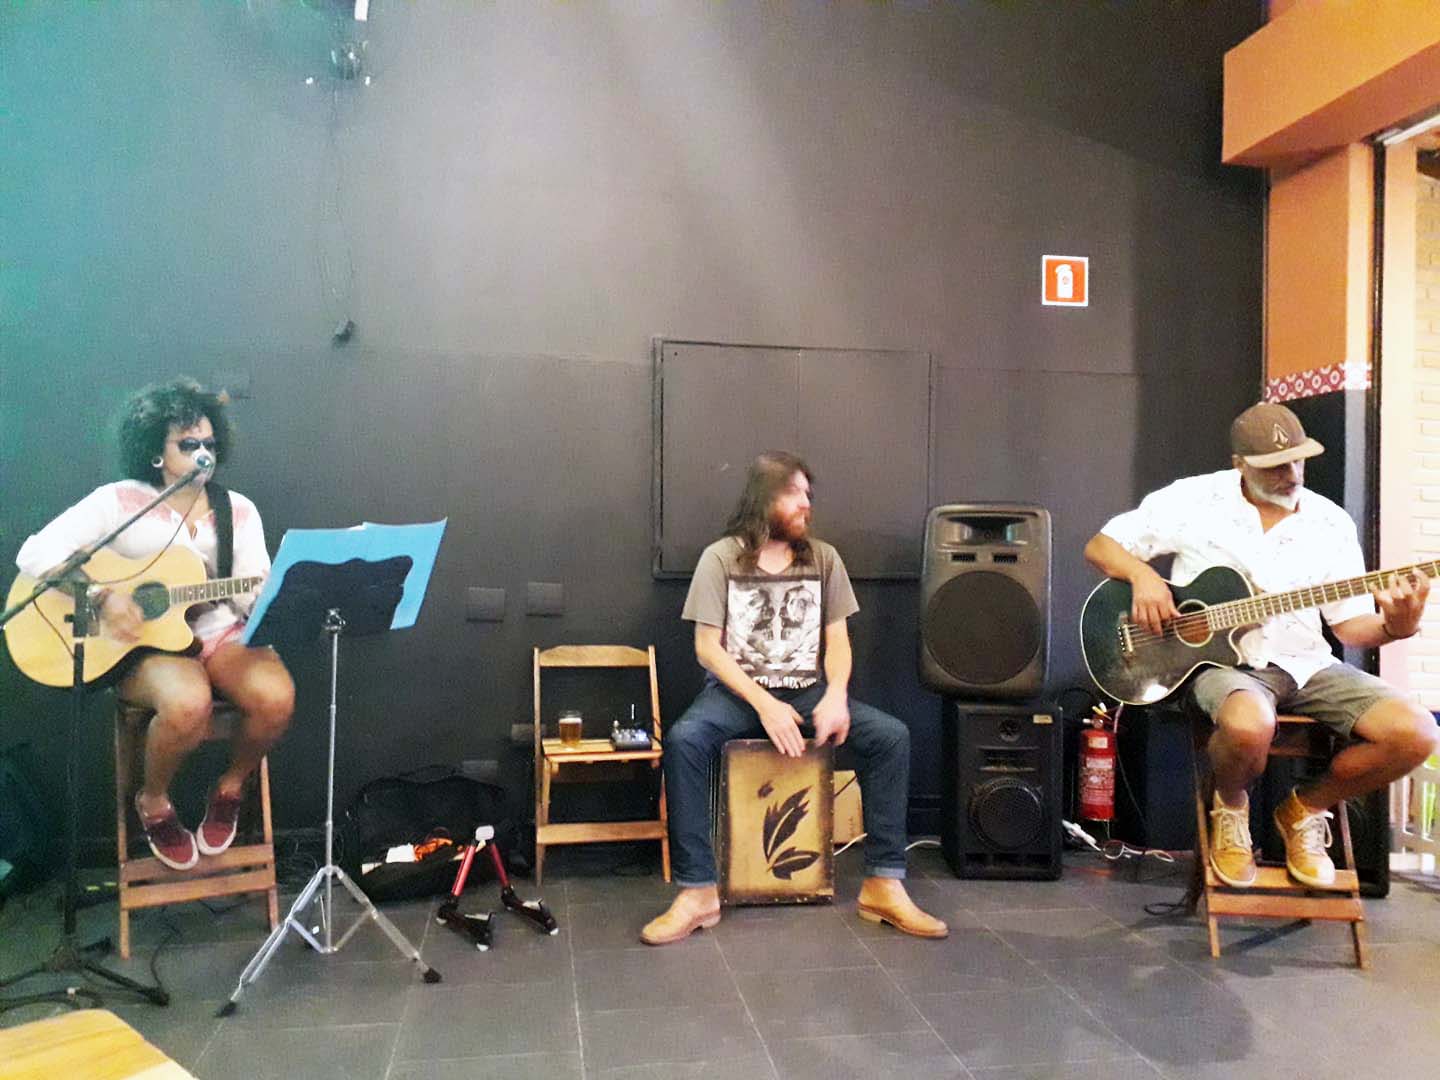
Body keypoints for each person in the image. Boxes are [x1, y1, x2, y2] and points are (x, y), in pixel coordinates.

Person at [1084, 402, 1438, 888]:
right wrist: (1142, 576)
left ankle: (1304, 810)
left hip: (1306, 664)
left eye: (1297, 460)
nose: (1291, 474)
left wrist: (1397, 626)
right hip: (1224, 667)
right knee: (1250, 725)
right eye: (1275, 466)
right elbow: (1101, 546)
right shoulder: (1193, 499)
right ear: (1240, 464)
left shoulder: (1330, 523)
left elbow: (1351, 628)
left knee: (1416, 733)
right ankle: (1231, 809)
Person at [641, 451, 946, 944]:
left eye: (808, 494)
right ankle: (698, 892)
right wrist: (764, 704)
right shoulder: (720, 558)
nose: (806, 503)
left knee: (890, 737)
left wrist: (836, 696)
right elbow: (707, 648)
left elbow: (838, 642)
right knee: (684, 740)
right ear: (763, 499)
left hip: (807, 692)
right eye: (794, 493)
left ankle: (883, 885)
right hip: (736, 695)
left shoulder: (823, 559)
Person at [14, 378, 294, 872]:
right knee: (188, 703)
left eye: (209, 444)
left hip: (218, 633)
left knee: (276, 697)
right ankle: (154, 799)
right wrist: (101, 597)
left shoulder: (237, 510)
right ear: (155, 452)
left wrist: (267, 599)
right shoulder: (120, 502)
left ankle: (230, 788)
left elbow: (255, 588)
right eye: (188, 444)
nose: (202, 454)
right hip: (143, 646)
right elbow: (35, 553)